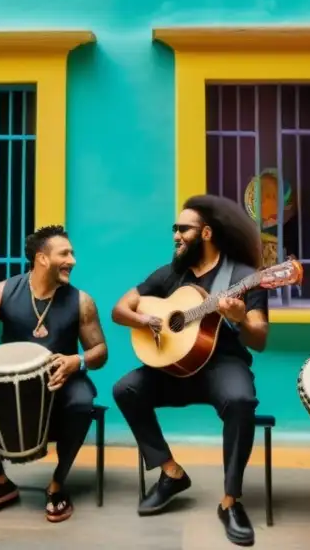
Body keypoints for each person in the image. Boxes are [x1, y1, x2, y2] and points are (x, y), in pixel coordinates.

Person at [111, 194, 269, 547]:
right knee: (126, 389)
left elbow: (259, 339)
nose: (176, 235)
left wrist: (240, 319)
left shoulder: (243, 277)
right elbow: (120, 309)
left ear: (207, 233)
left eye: (183, 229)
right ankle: (171, 473)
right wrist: (147, 319)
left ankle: (231, 501)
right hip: (174, 367)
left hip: (222, 365)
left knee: (242, 400)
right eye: (174, 229)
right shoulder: (170, 275)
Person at [0, 225, 108, 525]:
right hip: (9, 384)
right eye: (65, 254)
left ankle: (57, 483)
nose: (72, 260)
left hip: (61, 381)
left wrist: (77, 361)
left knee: (83, 403)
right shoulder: (3, 292)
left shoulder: (81, 301)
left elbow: (100, 351)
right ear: (42, 259)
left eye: (72, 253)